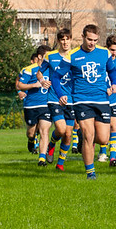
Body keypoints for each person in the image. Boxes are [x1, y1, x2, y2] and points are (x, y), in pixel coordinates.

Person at [50, 24, 116, 180]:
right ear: (82, 37)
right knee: (89, 136)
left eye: (95, 40)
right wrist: (60, 94)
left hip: (102, 99)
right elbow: (55, 77)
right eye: (89, 39)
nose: (92, 43)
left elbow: (112, 71)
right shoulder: (72, 56)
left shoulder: (104, 53)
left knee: (103, 139)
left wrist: (114, 83)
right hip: (82, 100)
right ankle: (90, 172)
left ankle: (84, 136)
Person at [37, 29, 75, 171]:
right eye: (62, 39)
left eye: (67, 39)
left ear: (71, 40)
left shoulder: (76, 55)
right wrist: (41, 80)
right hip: (54, 98)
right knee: (61, 129)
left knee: (68, 134)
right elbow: (39, 71)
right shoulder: (50, 56)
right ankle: (52, 143)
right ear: (59, 41)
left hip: (72, 99)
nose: (65, 42)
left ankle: (60, 164)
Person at [17, 51, 52, 166]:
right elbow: (19, 84)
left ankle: (42, 158)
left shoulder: (52, 68)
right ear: (40, 57)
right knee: (31, 133)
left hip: (46, 105)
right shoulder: (29, 69)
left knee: (44, 131)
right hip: (31, 105)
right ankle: (31, 140)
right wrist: (32, 86)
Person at [97, 35, 116, 166]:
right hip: (102, 99)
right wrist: (105, 88)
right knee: (104, 129)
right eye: (112, 50)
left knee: (114, 127)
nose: (114, 53)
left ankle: (113, 157)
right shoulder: (101, 58)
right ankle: (102, 152)